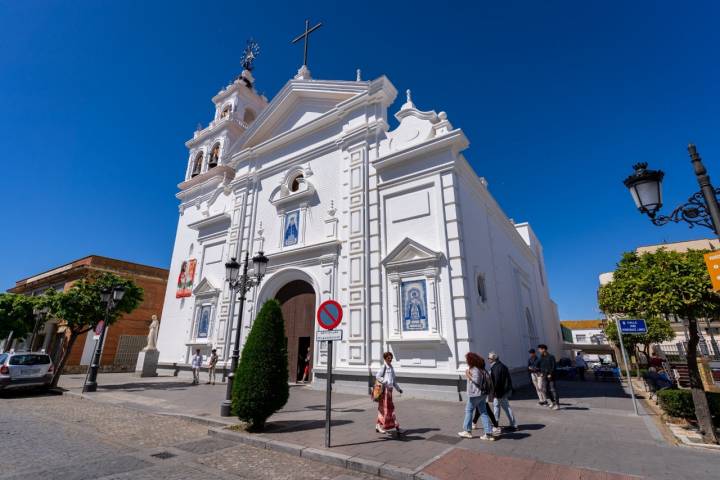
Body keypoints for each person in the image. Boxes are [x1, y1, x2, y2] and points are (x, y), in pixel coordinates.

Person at [458, 352, 494, 441]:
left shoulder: (475, 369)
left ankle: (467, 431)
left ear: (471, 360)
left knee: (469, 410)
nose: (466, 361)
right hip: (482, 394)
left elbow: (476, 380)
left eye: (467, 359)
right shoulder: (481, 368)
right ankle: (488, 433)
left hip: (476, 394)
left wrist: (468, 375)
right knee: (483, 412)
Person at [488, 352, 517, 433]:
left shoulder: (496, 367)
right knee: (496, 406)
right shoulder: (501, 365)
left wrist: (494, 392)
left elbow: (496, 381)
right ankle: (496, 423)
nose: (488, 360)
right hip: (502, 391)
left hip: (499, 391)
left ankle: (513, 425)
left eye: (489, 358)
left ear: (493, 359)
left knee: (506, 407)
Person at [375, 352, 403, 434]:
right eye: (388, 358)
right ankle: (381, 425)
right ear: (385, 358)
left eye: (391, 358)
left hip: (390, 391)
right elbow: (377, 376)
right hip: (384, 391)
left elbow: (394, 381)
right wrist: (385, 381)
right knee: (385, 409)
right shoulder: (383, 367)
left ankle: (379, 425)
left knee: (389, 409)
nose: (390, 360)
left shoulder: (391, 368)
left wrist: (398, 389)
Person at [538, 344, 559, 410]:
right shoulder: (541, 357)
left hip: (551, 376)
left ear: (544, 349)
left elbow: (553, 366)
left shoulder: (551, 357)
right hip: (544, 376)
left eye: (540, 349)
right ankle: (553, 402)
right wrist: (541, 372)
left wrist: (551, 374)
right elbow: (540, 366)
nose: (539, 351)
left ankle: (557, 405)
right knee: (546, 390)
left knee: (553, 390)